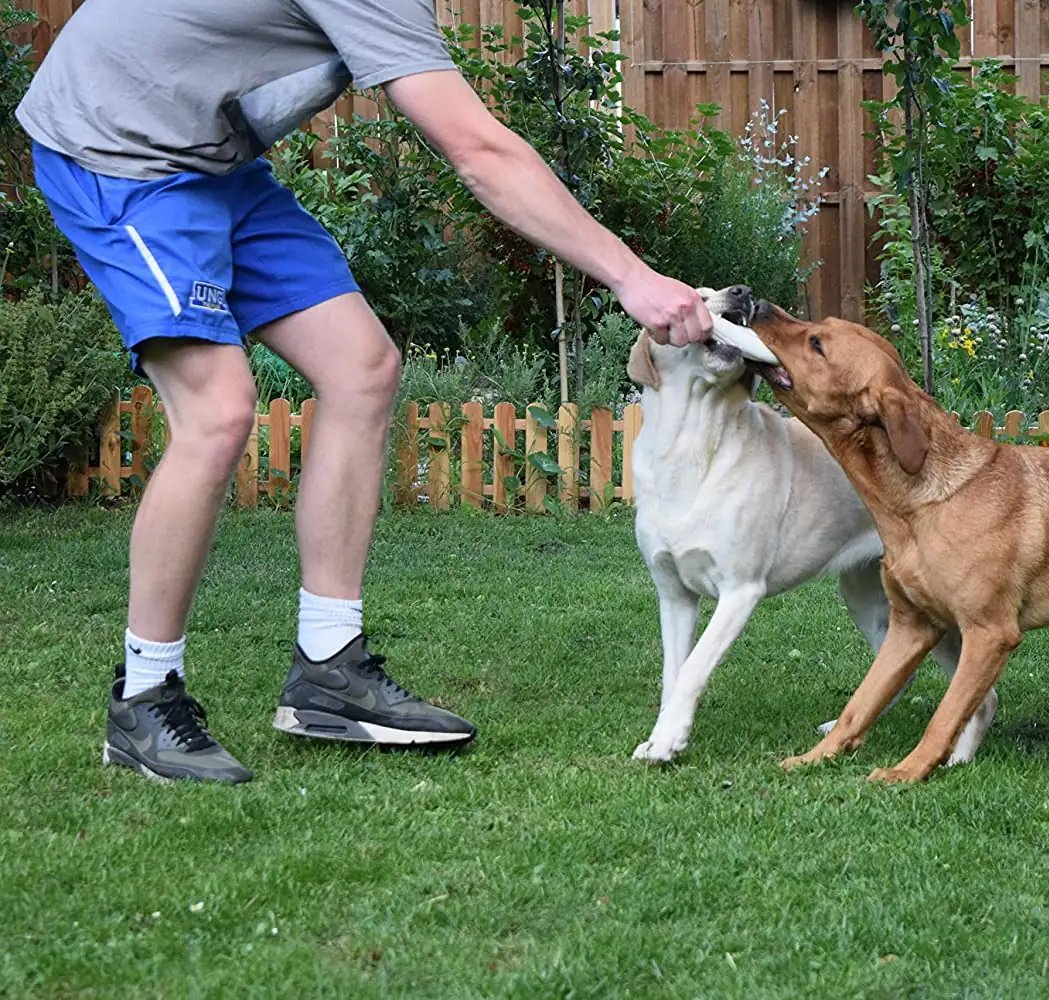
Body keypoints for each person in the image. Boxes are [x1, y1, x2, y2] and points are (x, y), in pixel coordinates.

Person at [17, 0, 715, 784]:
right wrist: (631, 276)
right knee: (217, 410)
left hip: (214, 158)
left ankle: (327, 667)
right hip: (120, 149)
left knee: (362, 367)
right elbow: (479, 150)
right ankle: (143, 698)